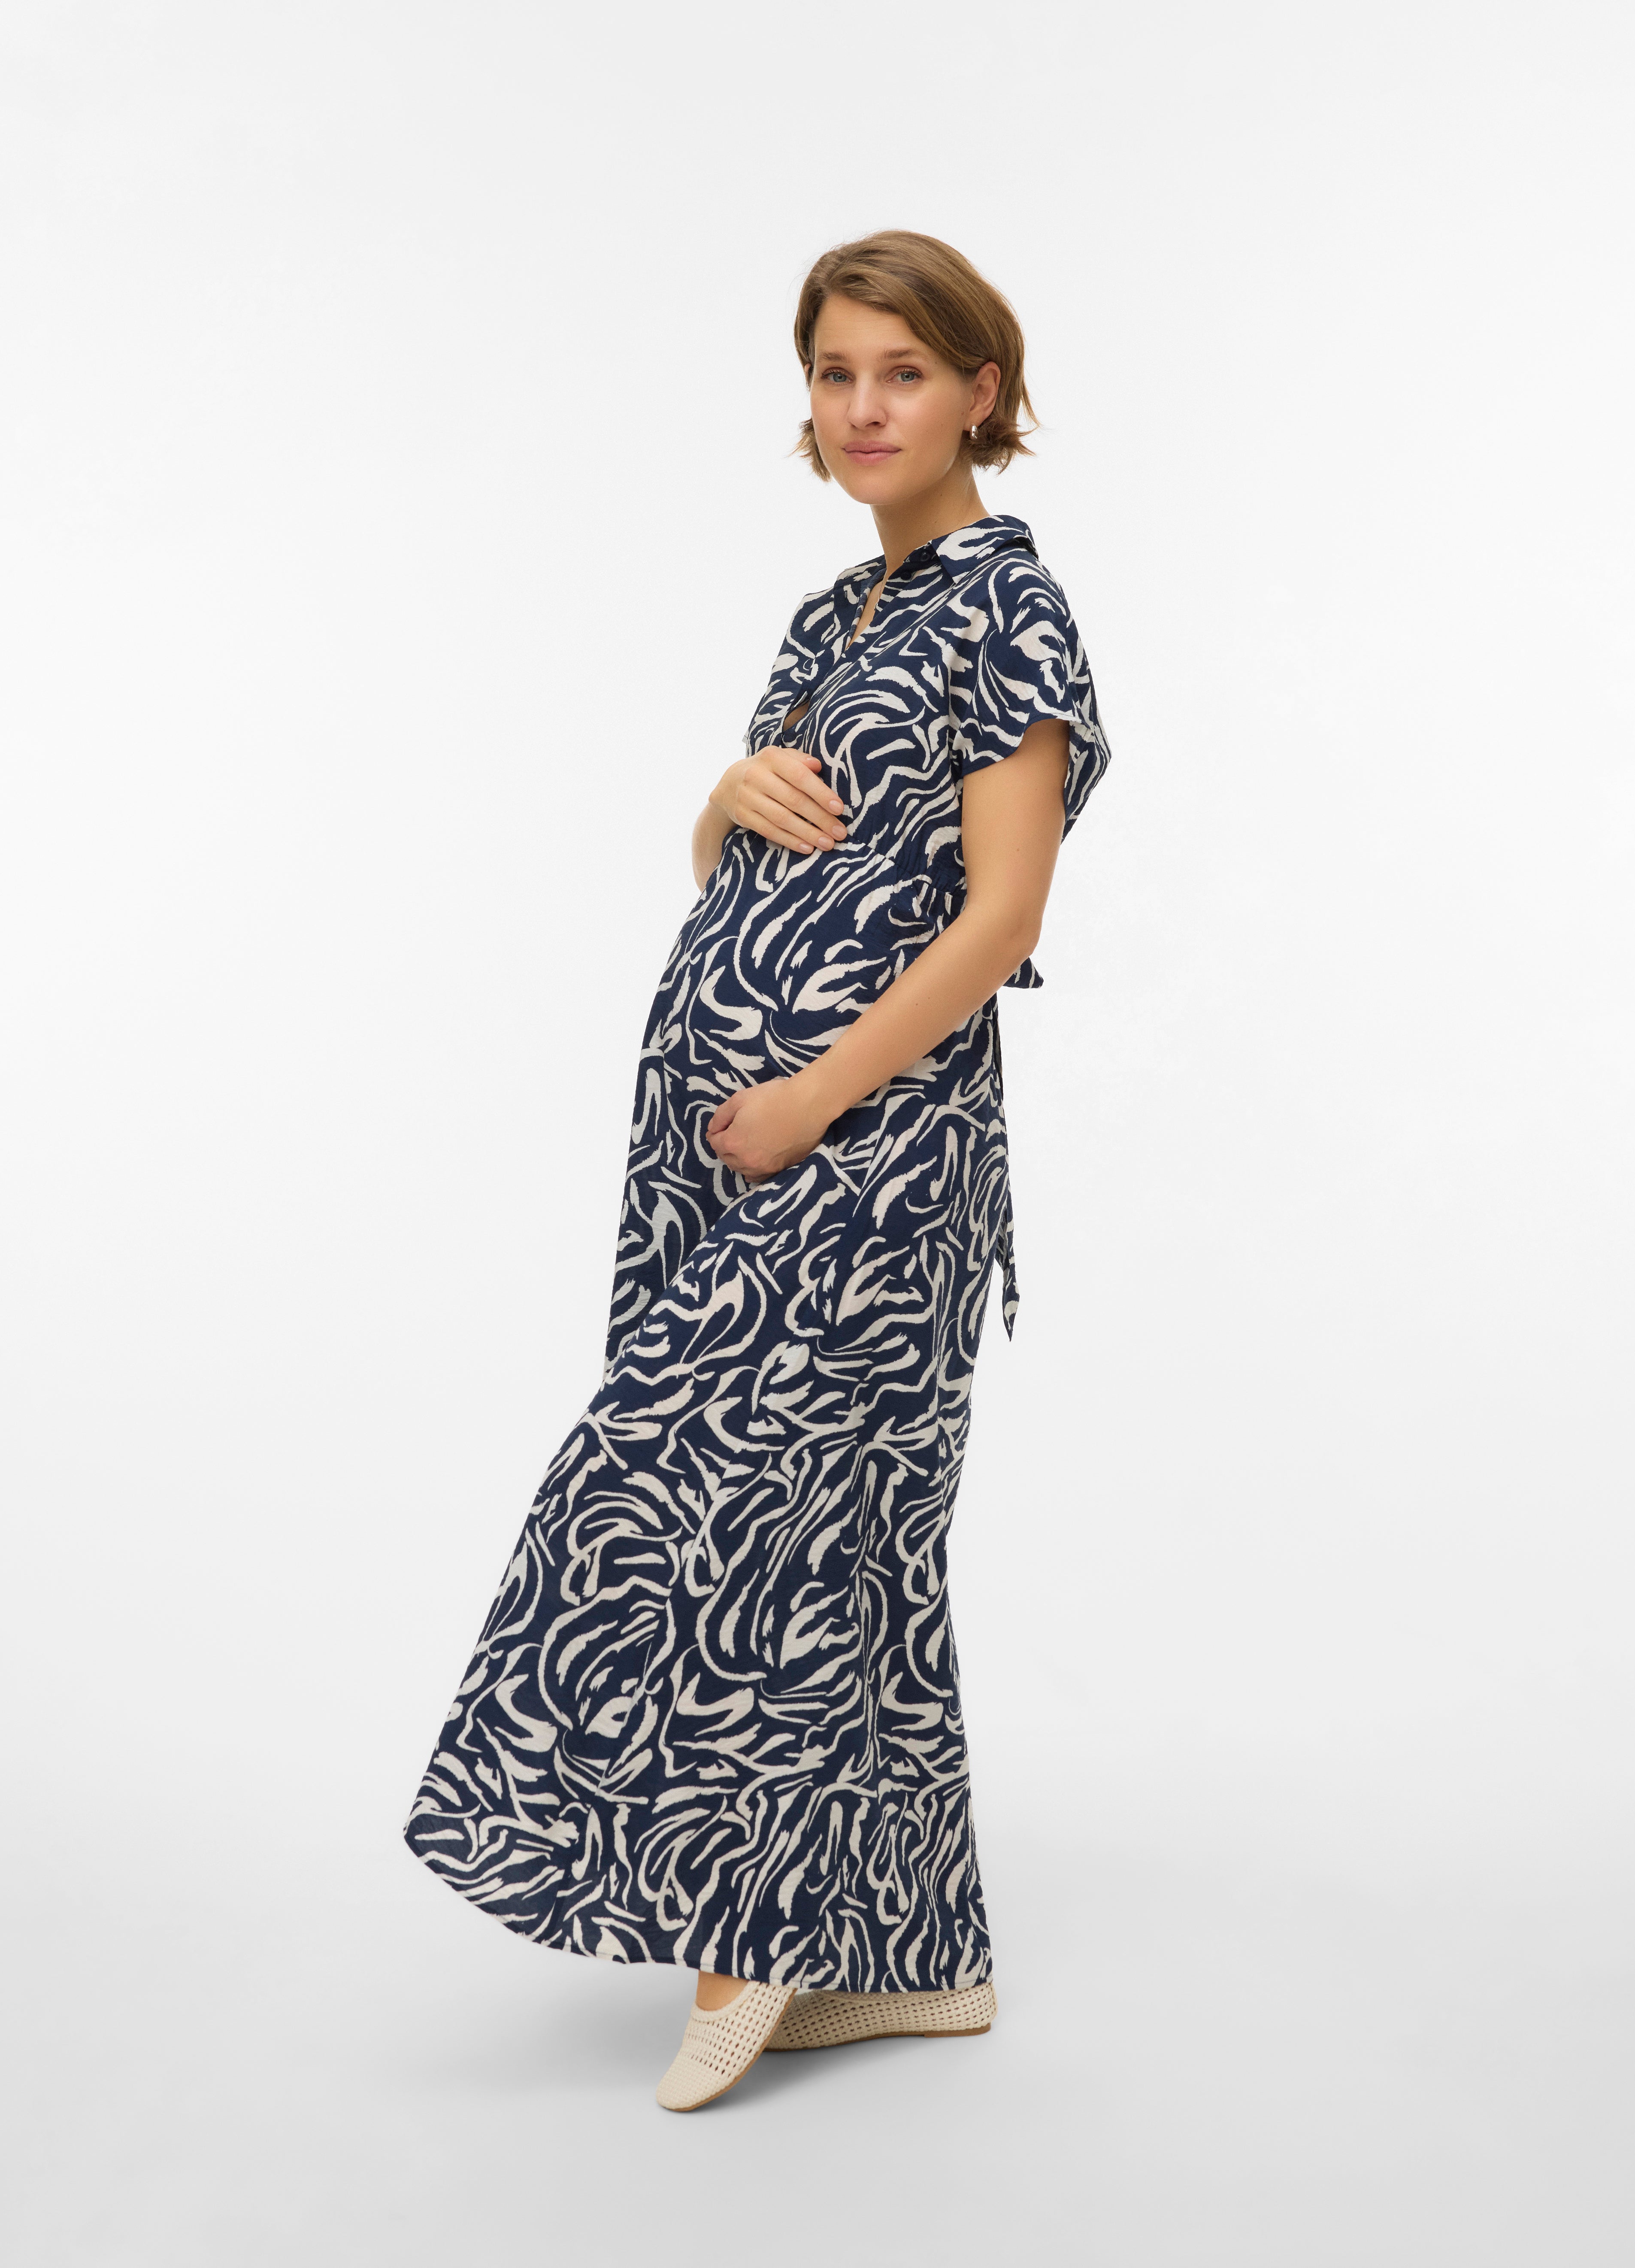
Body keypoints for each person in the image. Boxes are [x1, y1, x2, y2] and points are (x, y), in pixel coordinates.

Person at [403, 229, 1111, 2112]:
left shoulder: (1007, 609)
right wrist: (715, 797)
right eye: (833, 372)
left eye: (902, 370)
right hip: (716, 1150)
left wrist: (810, 1100)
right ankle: (919, 1959)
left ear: (979, 391)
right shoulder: (830, 619)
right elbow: (758, 876)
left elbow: (1000, 917)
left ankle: (744, 1930)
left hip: (870, 1157)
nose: (863, 406)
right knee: (847, 1534)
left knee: (727, 1505)